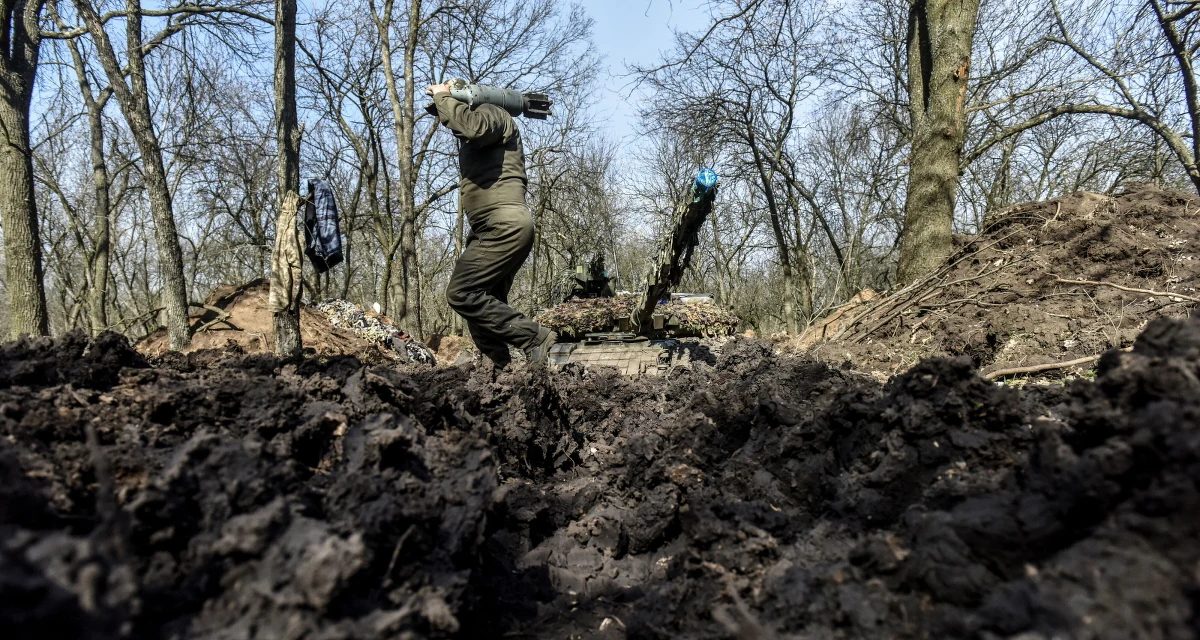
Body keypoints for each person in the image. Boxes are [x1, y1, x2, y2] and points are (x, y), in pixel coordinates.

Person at [426, 82, 557, 367]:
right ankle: (497, 370)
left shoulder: (493, 113)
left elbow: (470, 126)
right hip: (493, 226)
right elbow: (466, 128)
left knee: (462, 292)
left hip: (502, 225)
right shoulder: (487, 124)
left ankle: (535, 338)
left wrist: (442, 95)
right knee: (483, 304)